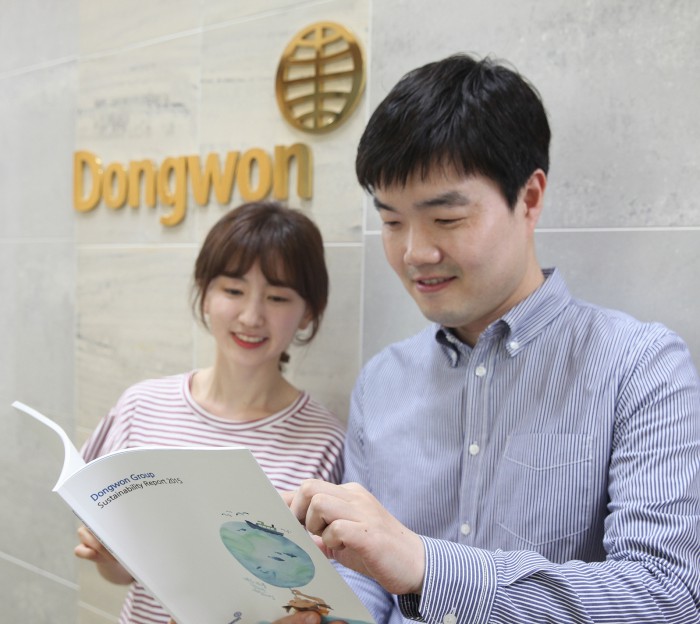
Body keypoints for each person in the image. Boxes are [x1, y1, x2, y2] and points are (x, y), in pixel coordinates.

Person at [285, 54, 700, 623]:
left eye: (446, 219)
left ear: (529, 198)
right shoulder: (382, 381)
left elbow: (668, 595)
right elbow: (368, 581)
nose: (414, 253)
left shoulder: (640, 366)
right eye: (392, 221)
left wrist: (428, 568)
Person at [75, 201, 346, 624]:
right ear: (205, 292)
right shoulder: (140, 406)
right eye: (233, 291)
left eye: (277, 297)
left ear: (308, 310)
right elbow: (121, 574)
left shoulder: (325, 442)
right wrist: (108, 558)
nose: (251, 317)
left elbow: (319, 601)